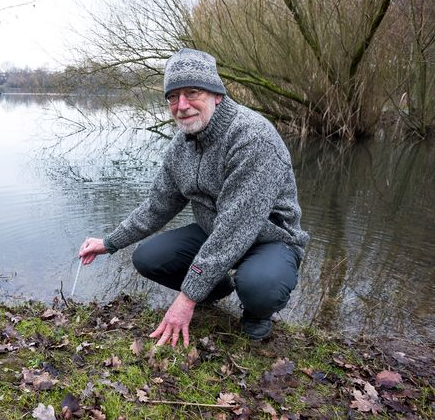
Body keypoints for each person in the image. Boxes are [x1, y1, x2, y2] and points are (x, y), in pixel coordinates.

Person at [78, 48, 309, 346]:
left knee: (260, 286)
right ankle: (215, 289)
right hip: (213, 229)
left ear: (217, 95)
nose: (182, 105)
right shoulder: (181, 145)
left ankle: (256, 312)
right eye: (173, 97)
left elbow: (236, 226)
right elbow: (157, 206)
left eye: (193, 92)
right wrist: (109, 242)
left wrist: (187, 298)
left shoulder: (253, 137)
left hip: (271, 238)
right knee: (148, 258)